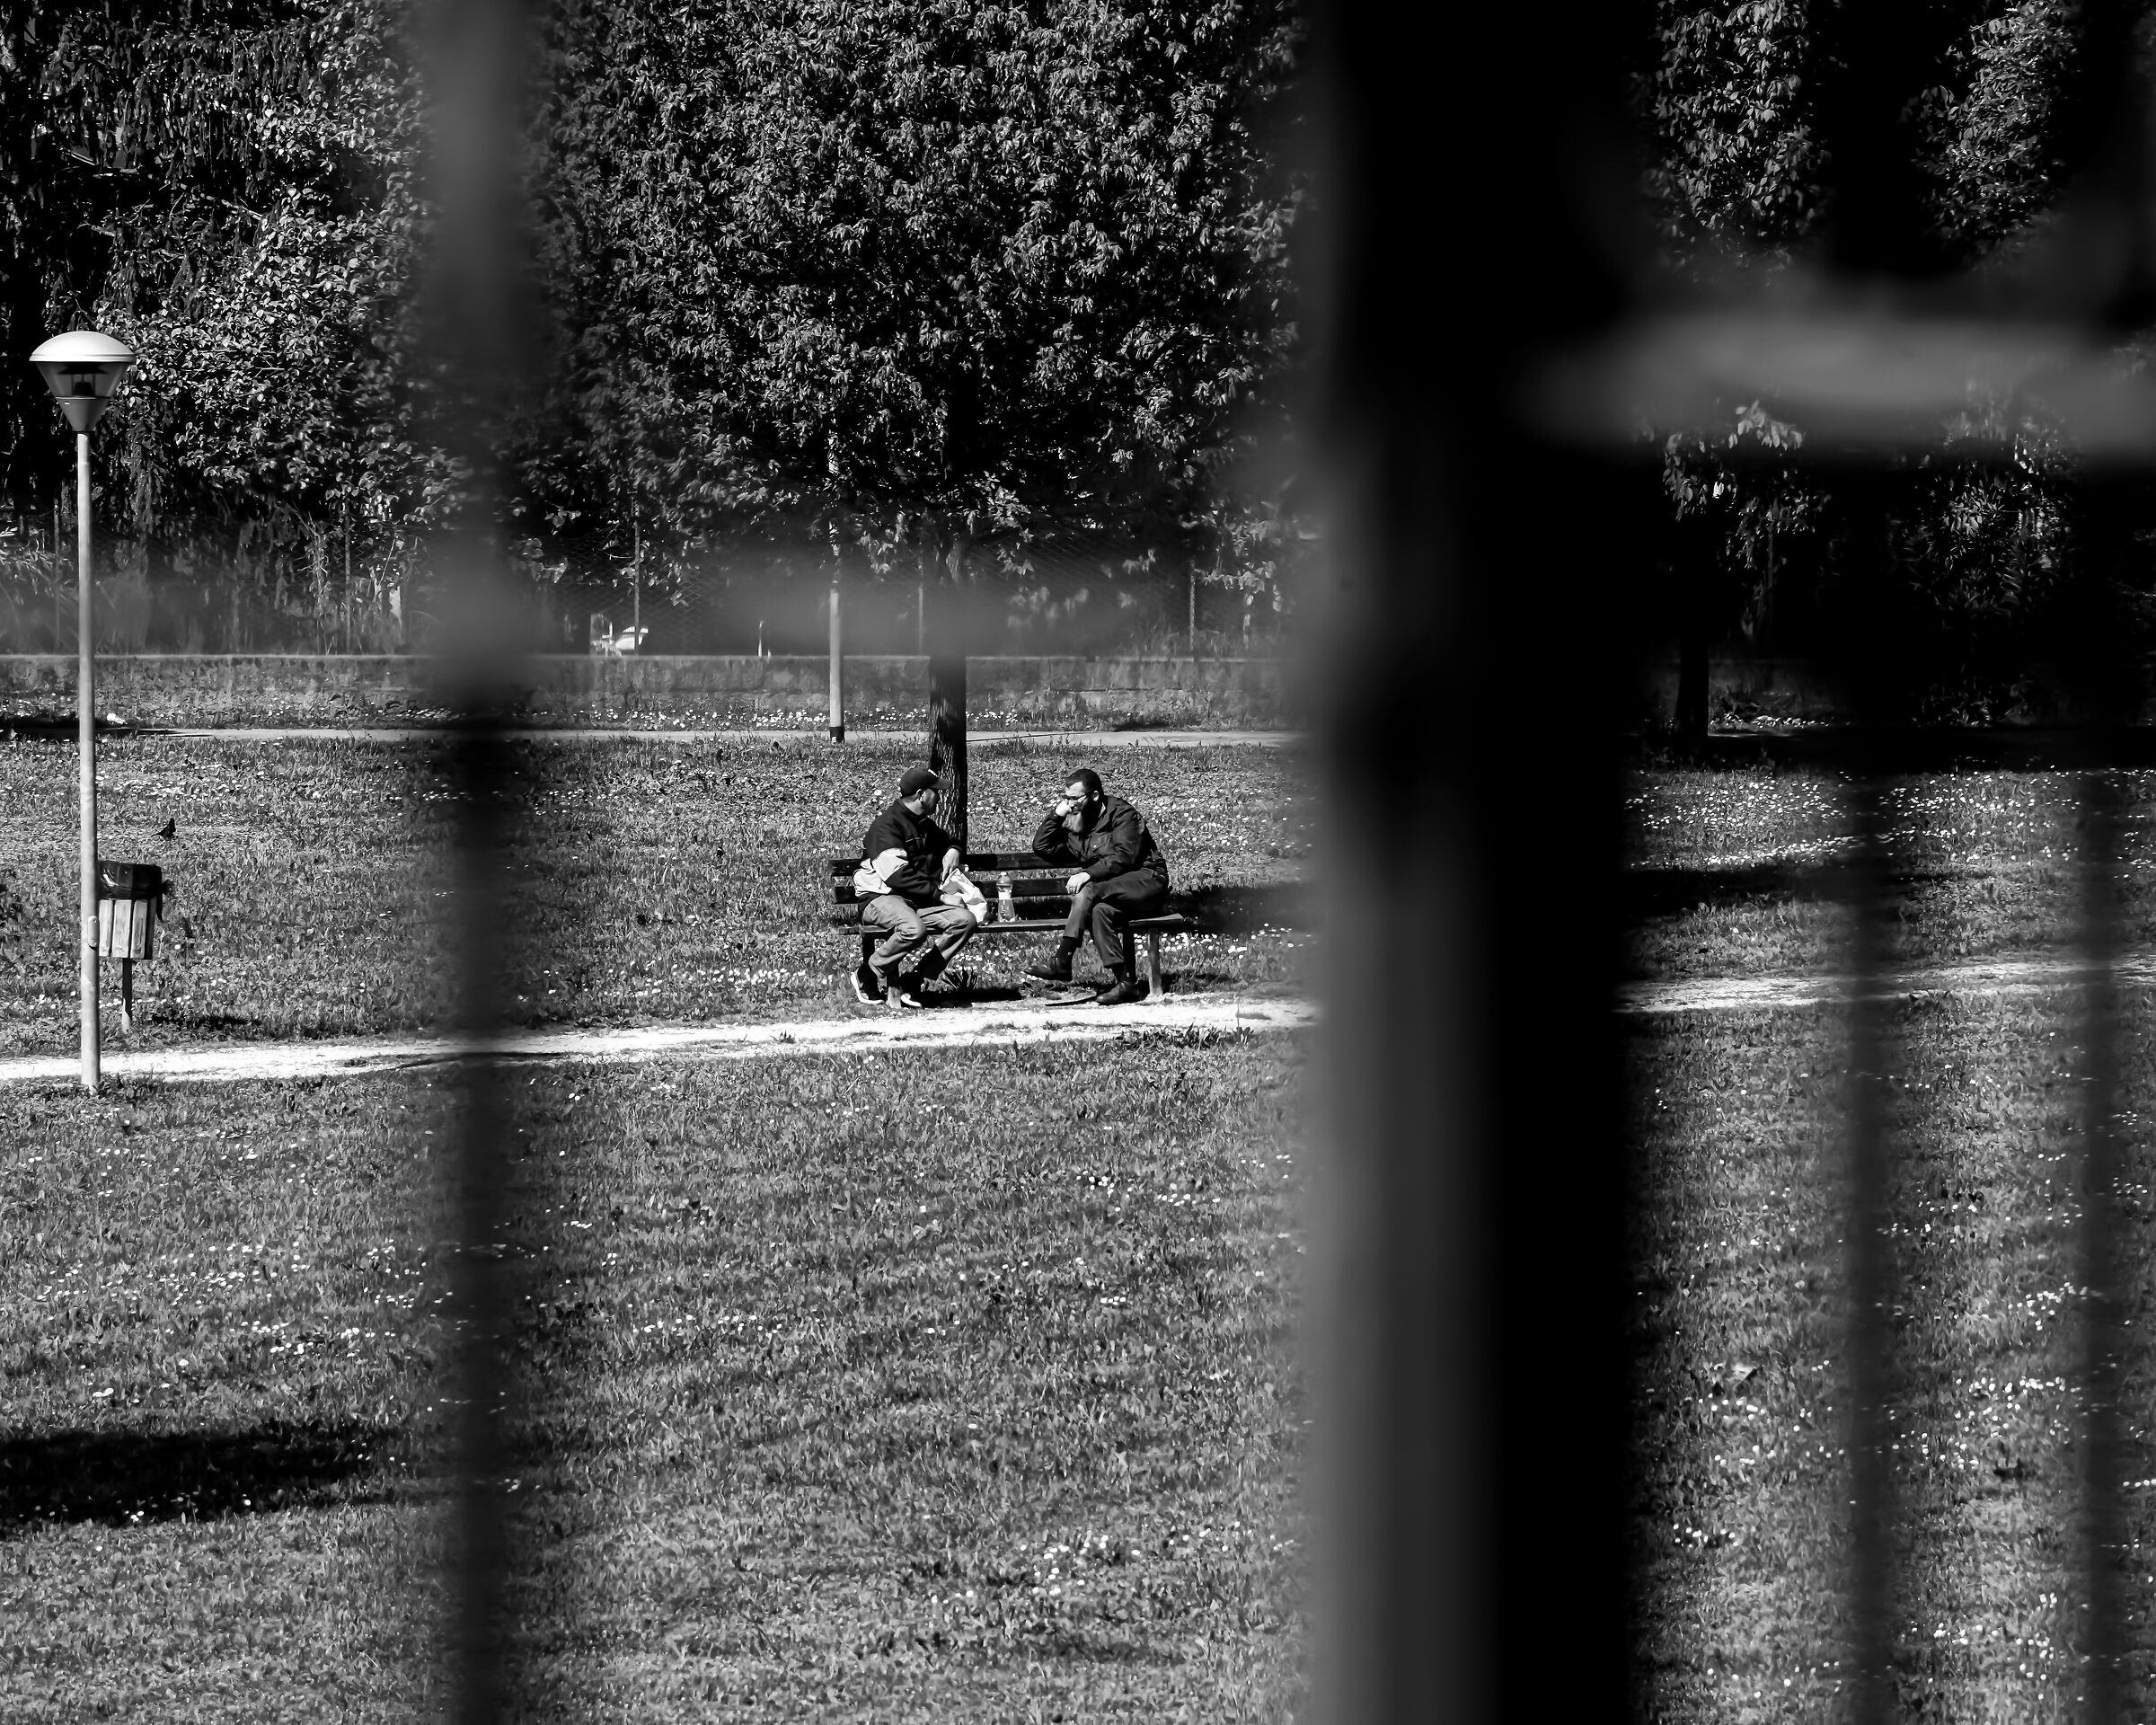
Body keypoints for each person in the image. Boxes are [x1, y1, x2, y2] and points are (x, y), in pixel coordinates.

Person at [1025, 766, 1169, 1005]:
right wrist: (1056, 815)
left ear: (1094, 796)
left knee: (1089, 890)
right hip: (1111, 888)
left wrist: (1087, 874)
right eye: (1066, 798)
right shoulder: (1074, 821)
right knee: (1100, 911)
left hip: (1146, 880)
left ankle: (1062, 959)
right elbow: (1043, 847)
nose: (1070, 804)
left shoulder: (1122, 814)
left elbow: (1126, 857)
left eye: (1074, 799)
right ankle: (1126, 984)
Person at [851, 765, 977, 1009]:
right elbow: (897, 876)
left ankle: (914, 982)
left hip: (913, 901)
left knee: (965, 920)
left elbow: (951, 839)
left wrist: (954, 850)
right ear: (921, 795)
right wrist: (940, 896)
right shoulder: (887, 826)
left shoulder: (922, 824)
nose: (939, 797)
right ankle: (867, 974)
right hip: (880, 897)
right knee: (913, 929)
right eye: (935, 792)